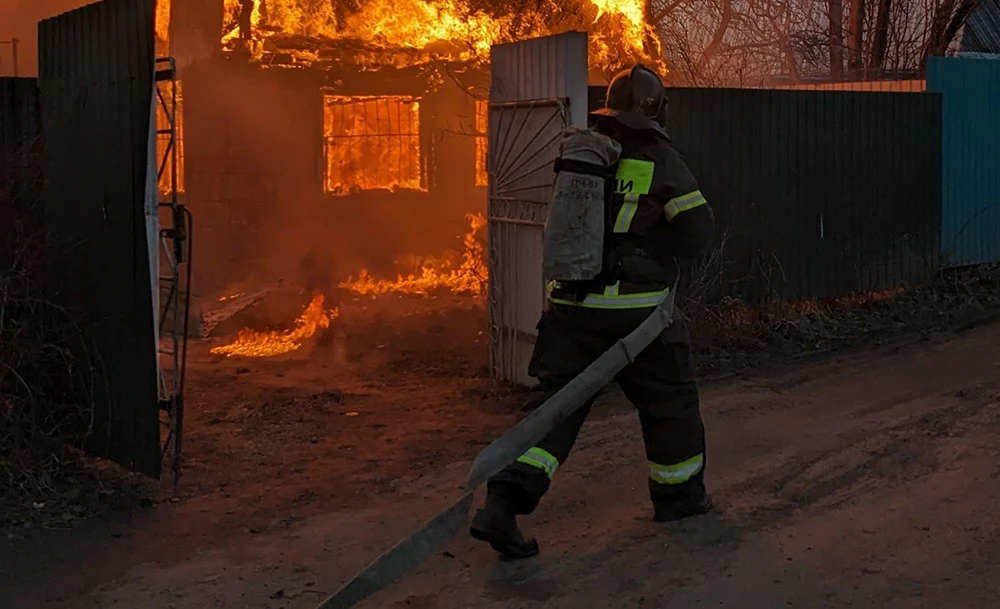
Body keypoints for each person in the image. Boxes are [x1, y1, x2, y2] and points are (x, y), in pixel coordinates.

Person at [469, 64, 717, 559]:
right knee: (670, 403)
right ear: (657, 111)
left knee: (554, 411)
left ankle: (503, 502)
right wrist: (653, 248)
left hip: (571, 309)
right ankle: (679, 499)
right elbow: (698, 230)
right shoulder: (659, 159)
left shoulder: (585, 155)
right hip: (639, 316)